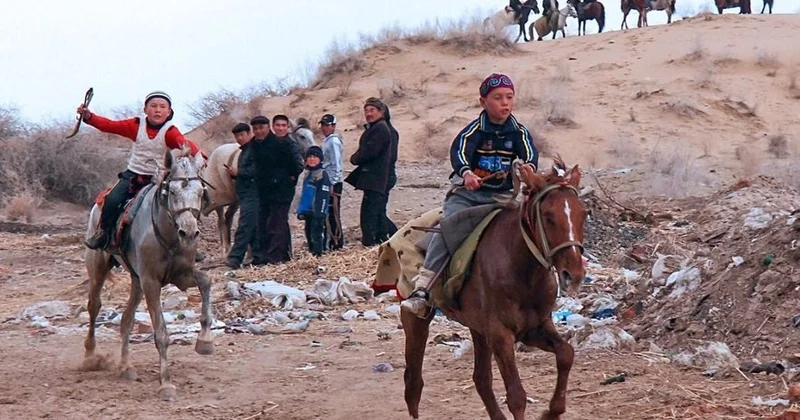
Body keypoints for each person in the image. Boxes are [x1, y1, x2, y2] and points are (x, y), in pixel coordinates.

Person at [400, 73, 539, 318]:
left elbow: (529, 153)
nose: (505, 103)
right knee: (447, 229)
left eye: (509, 97)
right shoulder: (473, 131)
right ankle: (423, 289)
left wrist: (528, 169)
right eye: (497, 98)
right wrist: (467, 174)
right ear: (483, 102)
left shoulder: (518, 132)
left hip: (502, 198)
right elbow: (460, 154)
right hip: (468, 197)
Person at [77, 91, 206, 253]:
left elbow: (184, 142)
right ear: (145, 109)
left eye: (162, 107)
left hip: (158, 179)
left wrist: (199, 155)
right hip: (133, 176)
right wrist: (89, 117)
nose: (157, 110)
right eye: (153, 106)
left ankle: (188, 243)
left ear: (169, 112)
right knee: (112, 200)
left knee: (181, 203)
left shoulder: (170, 131)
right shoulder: (136, 125)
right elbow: (110, 125)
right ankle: (104, 234)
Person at [254, 114, 304, 264]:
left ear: (288, 127)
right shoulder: (268, 143)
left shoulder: (290, 144)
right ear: (273, 127)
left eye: (284, 125)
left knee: (276, 224)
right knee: (276, 222)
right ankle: (285, 255)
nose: (281, 128)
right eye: (278, 125)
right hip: (268, 190)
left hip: (283, 190)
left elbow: (298, 165)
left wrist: (288, 178)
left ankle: (274, 258)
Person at [344, 98, 392, 247]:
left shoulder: (380, 128)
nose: (368, 114)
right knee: (377, 213)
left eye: (372, 110)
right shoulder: (377, 128)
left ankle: (371, 244)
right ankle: (383, 242)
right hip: (375, 179)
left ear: (381, 112)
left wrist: (355, 158)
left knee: (370, 215)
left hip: (376, 178)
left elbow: (369, 151)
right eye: (366, 110)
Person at [225, 123, 260, 269]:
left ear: (249, 134)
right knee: (253, 227)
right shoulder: (245, 150)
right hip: (245, 193)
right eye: (237, 136)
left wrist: (238, 173)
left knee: (244, 225)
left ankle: (235, 258)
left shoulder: (254, 149)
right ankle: (258, 256)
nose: (239, 138)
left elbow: (256, 170)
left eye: (242, 135)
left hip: (253, 193)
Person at [296, 146, 331, 257]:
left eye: (315, 157)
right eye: (309, 157)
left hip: (317, 211)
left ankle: (319, 254)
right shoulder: (307, 174)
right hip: (308, 211)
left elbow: (323, 196)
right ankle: (312, 253)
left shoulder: (322, 175)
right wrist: (301, 210)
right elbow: (305, 195)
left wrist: (320, 212)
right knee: (308, 232)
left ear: (320, 159)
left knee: (317, 233)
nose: (312, 159)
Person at [319, 114, 345, 250]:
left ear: (333, 126)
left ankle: (337, 242)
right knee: (328, 212)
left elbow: (336, 163)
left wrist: (333, 183)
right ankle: (332, 241)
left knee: (333, 213)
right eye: (323, 125)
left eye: (327, 125)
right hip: (327, 180)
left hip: (333, 182)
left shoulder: (333, 141)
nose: (324, 128)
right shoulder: (328, 140)